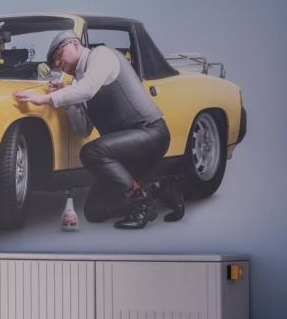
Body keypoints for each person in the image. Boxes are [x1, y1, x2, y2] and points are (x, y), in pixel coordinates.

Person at [12, 32, 181, 229]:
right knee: (95, 211)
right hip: (122, 151)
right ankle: (162, 188)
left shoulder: (101, 56)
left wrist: (45, 99)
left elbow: (89, 88)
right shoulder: (79, 83)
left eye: (59, 54)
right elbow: (83, 130)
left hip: (150, 133)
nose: (57, 63)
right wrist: (68, 101)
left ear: (75, 44)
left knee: (91, 152)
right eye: (54, 62)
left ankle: (142, 202)